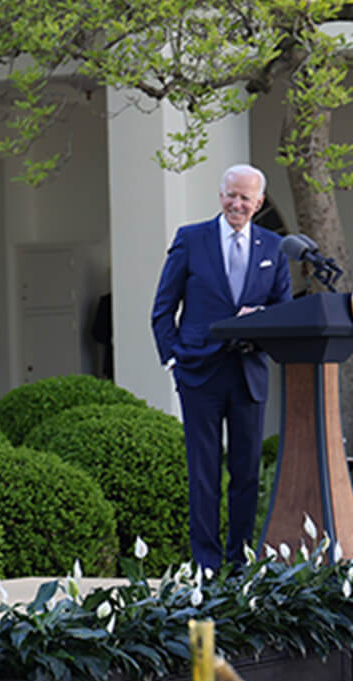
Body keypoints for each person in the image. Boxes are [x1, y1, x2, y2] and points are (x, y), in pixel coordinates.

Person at [151, 164, 292, 571]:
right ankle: (206, 566)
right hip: (199, 373)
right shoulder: (191, 239)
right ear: (220, 195)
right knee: (204, 474)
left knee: (246, 473)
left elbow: (284, 311)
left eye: (246, 198)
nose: (237, 203)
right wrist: (174, 358)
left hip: (248, 372)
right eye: (231, 194)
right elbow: (163, 308)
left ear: (259, 203)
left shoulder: (273, 247)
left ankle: (240, 563)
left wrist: (259, 314)